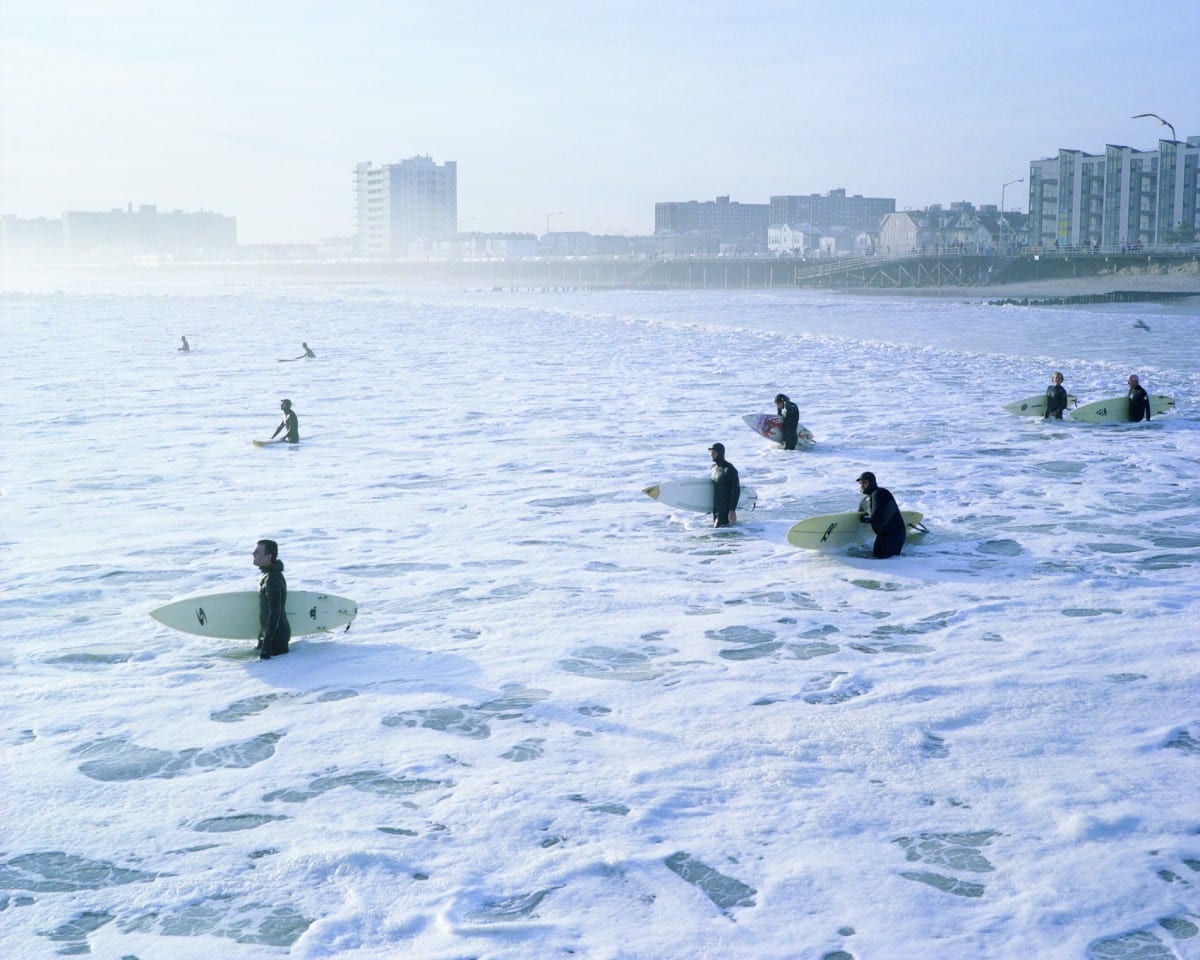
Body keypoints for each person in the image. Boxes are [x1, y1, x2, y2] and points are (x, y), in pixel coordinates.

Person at [252, 539, 290, 659]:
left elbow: (275, 613)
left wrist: (267, 646)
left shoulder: (273, 579)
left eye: (257, 552)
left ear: (269, 557)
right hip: (272, 639)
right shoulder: (268, 574)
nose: (253, 554)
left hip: (276, 642)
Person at [857, 471, 906, 559]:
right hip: (882, 535)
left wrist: (866, 519)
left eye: (864, 482)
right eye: (860, 483)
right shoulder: (865, 500)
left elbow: (876, 516)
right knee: (877, 556)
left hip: (894, 534)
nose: (862, 485)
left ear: (871, 483)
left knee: (884, 561)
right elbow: (859, 514)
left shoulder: (880, 493)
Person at [708, 443, 740, 528]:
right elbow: (713, 488)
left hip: (725, 509)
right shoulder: (713, 468)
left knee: (719, 532)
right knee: (717, 534)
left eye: (714, 452)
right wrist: (707, 506)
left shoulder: (729, 469)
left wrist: (732, 510)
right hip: (716, 509)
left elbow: (736, 490)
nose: (711, 454)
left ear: (720, 453)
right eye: (711, 452)